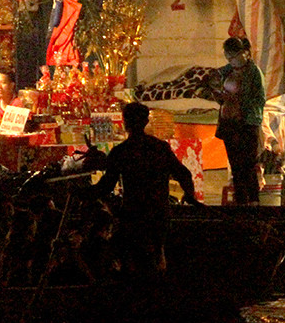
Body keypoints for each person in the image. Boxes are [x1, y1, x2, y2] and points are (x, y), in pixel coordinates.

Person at [86, 102, 201, 278]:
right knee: (158, 257)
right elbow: (183, 173)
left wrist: (84, 193)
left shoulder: (121, 151)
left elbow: (106, 186)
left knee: (131, 262)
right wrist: (189, 194)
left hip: (134, 215)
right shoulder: (159, 148)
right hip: (159, 212)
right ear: (146, 121)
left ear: (125, 123)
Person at [212, 37, 266, 205]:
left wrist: (238, 100)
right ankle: (241, 202)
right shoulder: (226, 71)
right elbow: (214, 80)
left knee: (248, 164)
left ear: (244, 53)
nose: (231, 60)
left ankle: (254, 201)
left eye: (234, 56)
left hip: (247, 123)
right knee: (235, 166)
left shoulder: (254, 72)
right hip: (229, 123)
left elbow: (260, 100)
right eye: (228, 57)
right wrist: (219, 96)